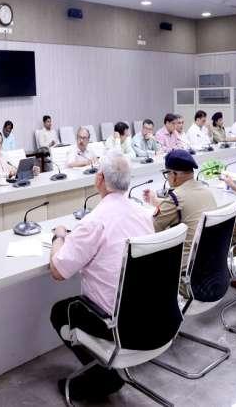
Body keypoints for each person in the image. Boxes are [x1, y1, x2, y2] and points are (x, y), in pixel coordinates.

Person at [48, 151, 154, 400]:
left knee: (60, 311)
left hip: (114, 324)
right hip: (151, 315)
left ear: (99, 179)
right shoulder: (143, 214)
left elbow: (57, 270)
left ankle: (104, 376)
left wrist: (59, 236)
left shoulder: (94, 222)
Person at [143, 150, 217, 277]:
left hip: (187, 266)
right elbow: (185, 205)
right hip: (210, 260)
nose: (167, 177)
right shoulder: (206, 191)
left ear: (174, 175)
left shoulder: (176, 197)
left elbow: (153, 228)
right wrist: (156, 202)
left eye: (167, 173)